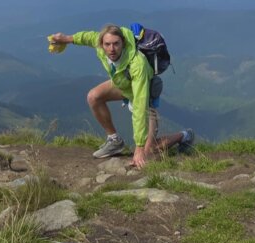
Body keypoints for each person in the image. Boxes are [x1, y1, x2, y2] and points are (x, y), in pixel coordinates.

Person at [50, 24, 194, 168]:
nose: (111, 49)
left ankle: (184, 135)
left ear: (123, 43)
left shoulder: (137, 65)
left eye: (116, 44)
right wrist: (66, 39)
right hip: (125, 85)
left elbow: (139, 104)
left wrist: (139, 147)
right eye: (107, 44)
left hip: (145, 95)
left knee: (148, 152)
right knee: (93, 97)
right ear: (101, 43)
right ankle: (114, 141)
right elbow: (88, 37)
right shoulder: (100, 44)